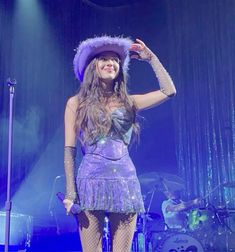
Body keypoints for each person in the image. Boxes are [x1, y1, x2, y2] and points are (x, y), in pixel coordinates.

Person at [63, 35, 176, 252]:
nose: (110, 63)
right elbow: (69, 150)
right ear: (92, 67)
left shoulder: (129, 102)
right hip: (90, 183)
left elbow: (168, 91)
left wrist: (150, 58)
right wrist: (70, 193)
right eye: (103, 58)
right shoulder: (75, 103)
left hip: (124, 182)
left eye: (115, 60)